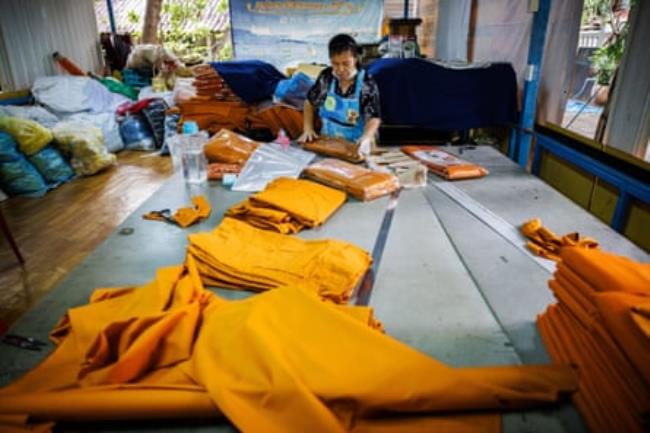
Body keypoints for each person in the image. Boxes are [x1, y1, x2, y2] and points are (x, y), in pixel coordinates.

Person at [298, 34, 381, 154]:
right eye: (335, 64)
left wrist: (367, 137)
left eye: (346, 63)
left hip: (355, 145)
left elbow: (373, 117)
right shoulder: (326, 77)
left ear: (355, 59)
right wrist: (308, 129)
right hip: (327, 143)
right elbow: (309, 102)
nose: (340, 69)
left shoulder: (366, 83)